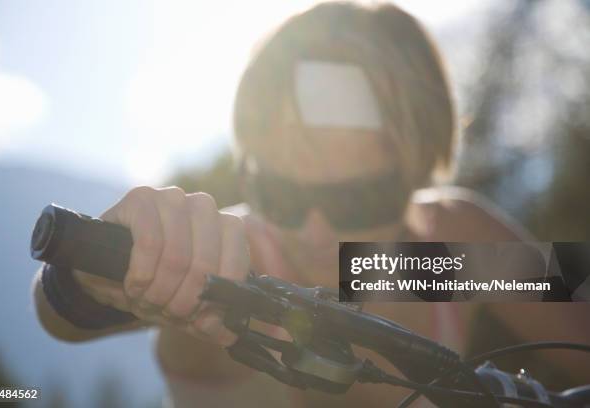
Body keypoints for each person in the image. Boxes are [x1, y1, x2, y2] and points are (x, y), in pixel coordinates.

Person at [32, 2, 590, 407]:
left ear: (416, 169)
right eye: (283, 195)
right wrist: (94, 277)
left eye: (356, 198)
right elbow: (62, 317)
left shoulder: (443, 251)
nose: (318, 231)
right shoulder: (239, 253)